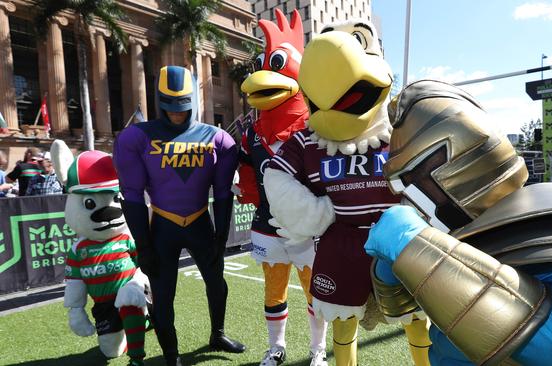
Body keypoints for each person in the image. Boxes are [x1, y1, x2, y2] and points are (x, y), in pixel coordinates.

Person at [364, 80, 552, 366]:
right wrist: (399, 255)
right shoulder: (462, 232)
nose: (406, 196)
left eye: (412, 180)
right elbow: (394, 304)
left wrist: (408, 240)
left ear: (447, 169)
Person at [263, 21, 430, 366]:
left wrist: (421, 211)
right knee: (341, 321)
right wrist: (316, 214)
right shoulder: (307, 140)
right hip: (342, 243)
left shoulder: (400, 129)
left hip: (400, 239)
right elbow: (275, 175)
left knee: (417, 319)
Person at [113, 66, 244, 366]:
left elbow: (223, 192)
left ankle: (218, 333)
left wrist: (221, 236)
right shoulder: (136, 137)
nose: (176, 114)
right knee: (162, 294)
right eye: (170, 107)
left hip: (200, 222)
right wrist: (143, 245)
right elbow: (132, 195)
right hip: (162, 226)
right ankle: (170, 354)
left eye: (182, 107)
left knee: (216, 281)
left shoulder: (218, 139)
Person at [236, 9, 328, 366]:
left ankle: (317, 350)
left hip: (308, 228)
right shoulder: (250, 132)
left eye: (275, 64)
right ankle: (276, 347)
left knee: (313, 292)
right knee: (274, 291)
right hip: (267, 226)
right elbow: (245, 170)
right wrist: (248, 192)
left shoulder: (315, 126)